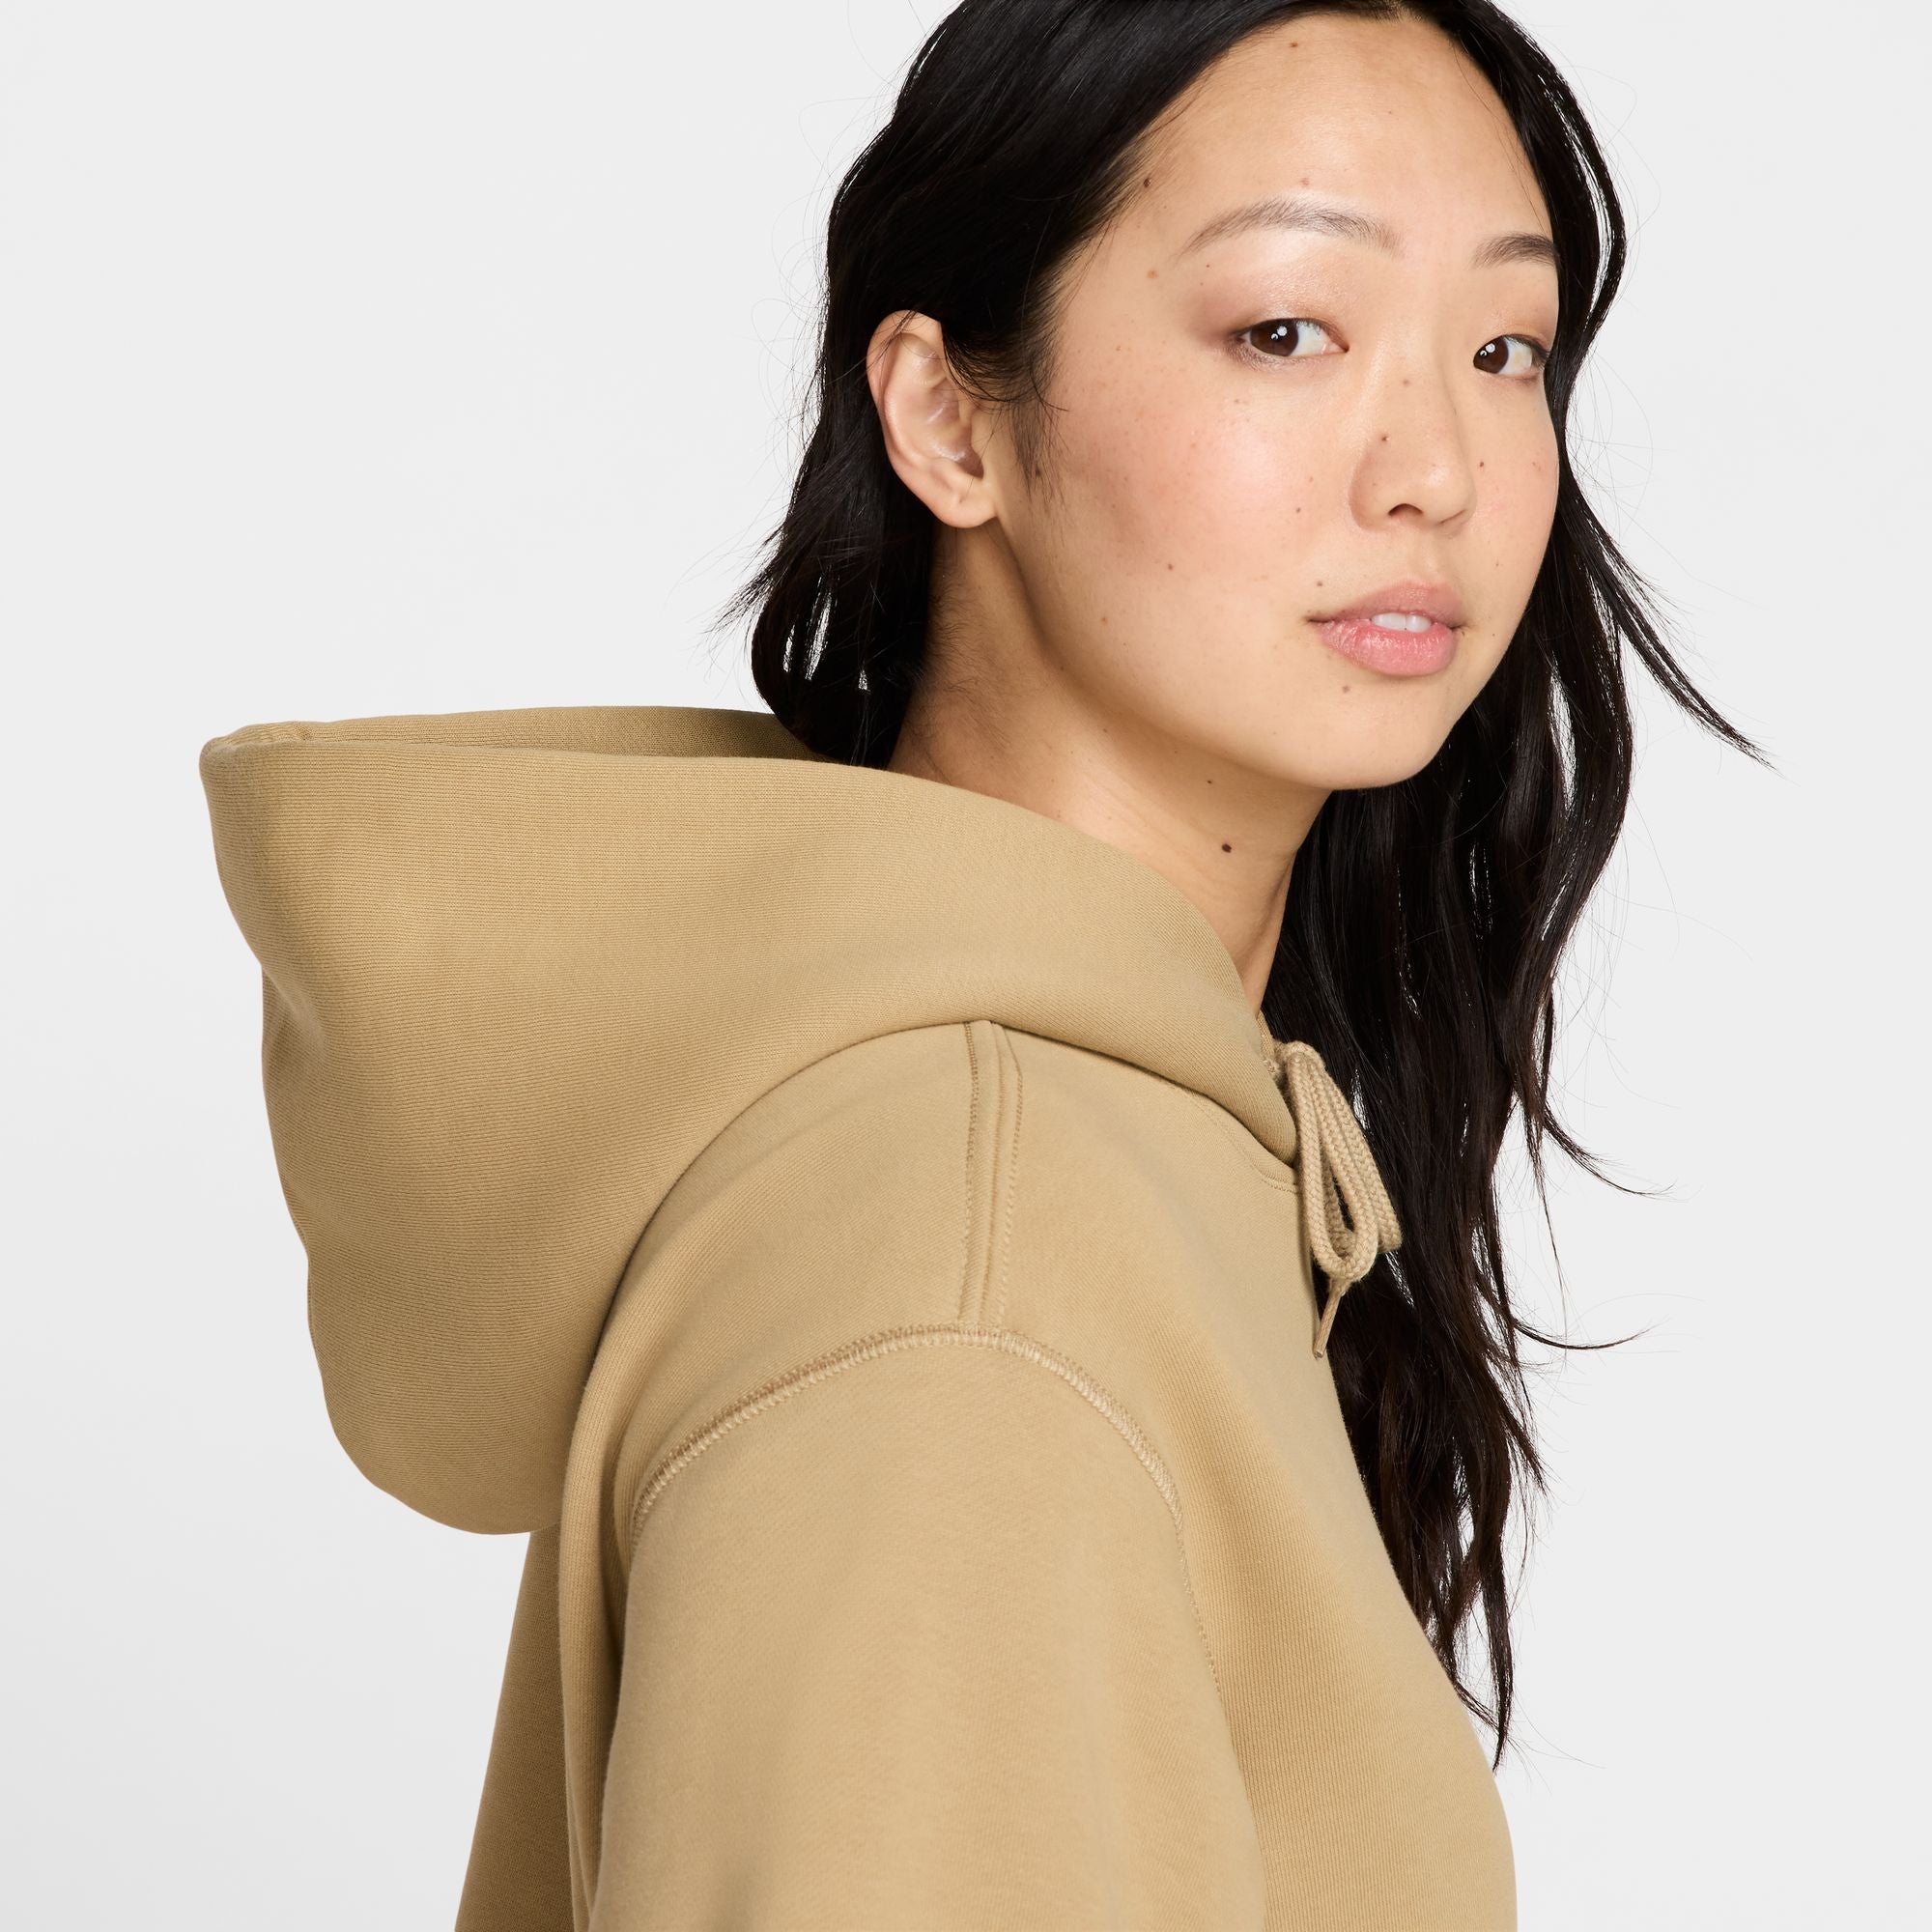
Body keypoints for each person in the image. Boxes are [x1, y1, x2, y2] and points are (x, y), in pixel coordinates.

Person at [199, 3, 1761, 1926]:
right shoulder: (975, 1266)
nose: (1435, 465)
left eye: (1504, 348)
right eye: (1287, 329)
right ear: (949, 418)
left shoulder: (1085, 1159)